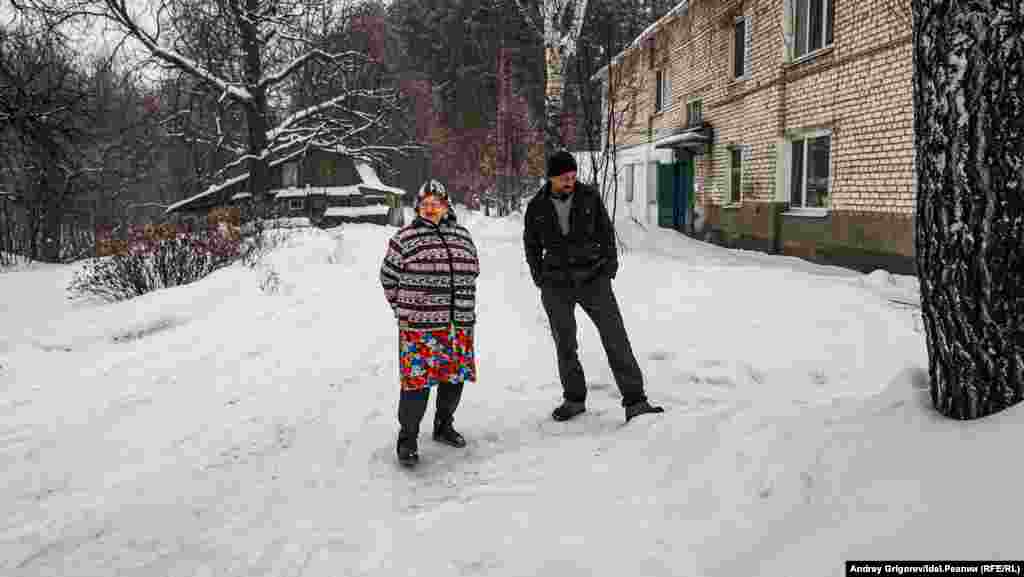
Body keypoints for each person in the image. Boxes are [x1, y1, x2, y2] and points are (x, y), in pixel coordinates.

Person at [524, 150, 664, 423]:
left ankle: (635, 400)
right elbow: (531, 244)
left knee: (615, 337)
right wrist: (539, 277)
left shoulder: (589, 197)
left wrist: (609, 266)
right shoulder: (537, 206)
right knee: (565, 343)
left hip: (593, 278)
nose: (570, 181)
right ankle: (574, 398)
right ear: (552, 178)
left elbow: (605, 232)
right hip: (556, 285)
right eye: (564, 177)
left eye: (573, 176)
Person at [380, 179, 481, 466]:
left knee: (454, 379)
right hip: (419, 329)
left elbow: (473, 270)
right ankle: (407, 440)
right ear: (417, 208)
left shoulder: (462, 235)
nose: (430, 209)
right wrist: (403, 309)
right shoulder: (405, 238)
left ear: (446, 205)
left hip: (457, 325)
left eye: (436, 204)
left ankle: (443, 426)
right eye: (425, 205)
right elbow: (388, 276)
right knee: (416, 386)